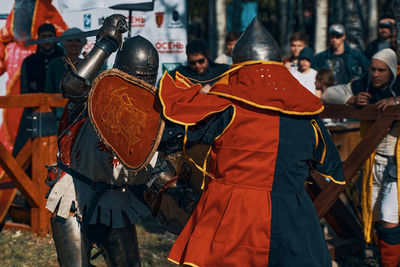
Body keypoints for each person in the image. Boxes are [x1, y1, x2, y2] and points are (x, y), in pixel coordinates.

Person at [158, 18, 345, 267]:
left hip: (233, 217)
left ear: (239, 69)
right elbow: (331, 169)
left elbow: (182, 129)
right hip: (292, 218)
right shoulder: (307, 116)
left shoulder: (226, 108)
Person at [45, 15, 156, 266]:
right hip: (74, 197)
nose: (141, 84)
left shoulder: (151, 111)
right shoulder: (94, 95)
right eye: (137, 77)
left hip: (116, 201)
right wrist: (105, 44)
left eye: (147, 79)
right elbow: (72, 86)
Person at [321, 48, 400, 266]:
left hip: (398, 160)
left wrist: (398, 102)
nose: (376, 74)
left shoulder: (399, 84)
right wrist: (351, 98)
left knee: (389, 215)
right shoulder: (363, 84)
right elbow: (329, 94)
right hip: (374, 158)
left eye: (381, 70)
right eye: (373, 69)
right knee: (374, 212)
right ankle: (377, 256)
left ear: (391, 71)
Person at [13, 23, 64, 157]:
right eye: (43, 36)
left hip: (60, 114)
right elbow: (25, 91)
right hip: (34, 111)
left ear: (55, 38)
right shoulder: (29, 62)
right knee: (24, 153)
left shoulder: (64, 59)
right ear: (38, 38)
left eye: (50, 36)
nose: (47, 39)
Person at [44, 27, 87, 122]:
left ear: (82, 44)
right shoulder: (54, 64)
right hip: (57, 115)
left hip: (82, 115)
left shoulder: (87, 64)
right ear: (63, 43)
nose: (73, 44)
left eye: (77, 40)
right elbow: (48, 90)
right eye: (70, 40)